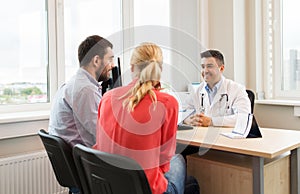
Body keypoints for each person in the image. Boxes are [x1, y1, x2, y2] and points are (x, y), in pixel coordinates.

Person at [94, 42, 199, 194]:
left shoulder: (107, 97)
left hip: (110, 186)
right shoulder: (167, 102)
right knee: (179, 161)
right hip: (145, 189)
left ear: (132, 67)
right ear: (160, 70)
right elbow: (164, 160)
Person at [48, 35, 114, 147]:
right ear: (96, 60)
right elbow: (102, 134)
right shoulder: (86, 90)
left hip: (76, 158)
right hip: (85, 160)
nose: (113, 65)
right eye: (110, 59)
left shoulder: (73, 84)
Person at [184, 49, 251, 127]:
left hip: (227, 137)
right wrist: (187, 120)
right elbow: (183, 113)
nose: (205, 71)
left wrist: (211, 121)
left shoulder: (237, 89)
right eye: (203, 67)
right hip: (202, 136)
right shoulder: (197, 90)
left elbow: (243, 119)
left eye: (209, 66)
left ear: (221, 68)